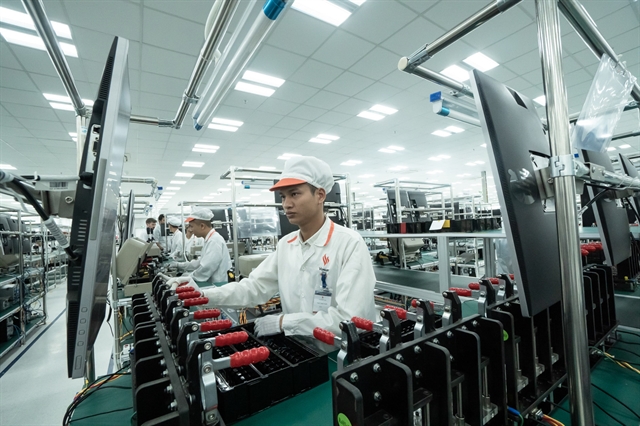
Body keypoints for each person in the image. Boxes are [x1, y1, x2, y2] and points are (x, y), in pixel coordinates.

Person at [173, 156, 376, 337]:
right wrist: (202, 295)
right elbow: (254, 287)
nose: (286, 204)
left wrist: (283, 322)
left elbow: (351, 319)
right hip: (301, 351)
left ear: (320, 195)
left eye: (294, 194)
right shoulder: (286, 245)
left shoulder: (349, 244)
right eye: (283, 197)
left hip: (342, 358)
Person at [168, 208, 232, 285]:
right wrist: (179, 265)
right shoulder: (209, 239)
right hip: (212, 283)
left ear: (202, 226)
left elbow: (206, 268)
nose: (191, 230)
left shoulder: (214, 241)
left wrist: (188, 277)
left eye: (191, 226)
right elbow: (200, 262)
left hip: (218, 285)